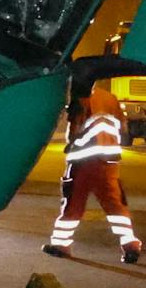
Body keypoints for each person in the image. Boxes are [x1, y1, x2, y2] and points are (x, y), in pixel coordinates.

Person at [47, 74, 142, 262]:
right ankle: (130, 245)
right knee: (115, 204)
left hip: (83, 162)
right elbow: (123, 129)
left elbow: (75, 130)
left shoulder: (81, 99)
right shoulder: (110, 98)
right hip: (109, 162)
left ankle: (61, 244)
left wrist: (70, 144)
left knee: (73, 204)